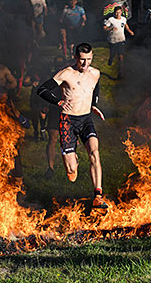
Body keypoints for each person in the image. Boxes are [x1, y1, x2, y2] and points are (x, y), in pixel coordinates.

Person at [37, 43, 107, 208]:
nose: (85, 64)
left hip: (86, 120)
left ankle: (98, 195)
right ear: (76, 58)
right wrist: (58, 101)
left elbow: (95, 88)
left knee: (95, 153)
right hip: (68, 121)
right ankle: (72, 160)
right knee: (71, 173)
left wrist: (94, 105)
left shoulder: (95, 73)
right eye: (82, 60)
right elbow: (41, 90)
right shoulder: (66, 74)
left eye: (89, 60)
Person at [43, 56, 66, 179]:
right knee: (52, 138)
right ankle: (50, 168)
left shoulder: (69, 76)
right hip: (54, 111)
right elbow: (44, 92)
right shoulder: (51, 78)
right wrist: (45, 107)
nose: (59, 66)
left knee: (68, 141)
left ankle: (72, 168)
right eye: (57, 64)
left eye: (61, 64)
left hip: (68, 111)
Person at [104, 6, 134, 79]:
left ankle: (120, 73)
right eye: (116, 13)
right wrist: (111, 28)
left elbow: (125, 25)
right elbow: (105, 28)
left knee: (121, 57)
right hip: (112, 40)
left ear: (121, 12)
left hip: (121, 40)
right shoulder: (111, 20)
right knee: (112, 54)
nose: (118, 14)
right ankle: (110, 59)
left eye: (119, 13)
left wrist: (129, 31)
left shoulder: (123, 19)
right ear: (114, 13)